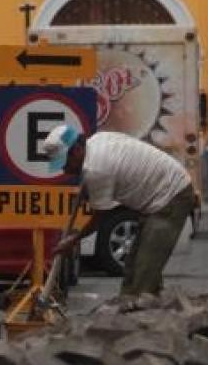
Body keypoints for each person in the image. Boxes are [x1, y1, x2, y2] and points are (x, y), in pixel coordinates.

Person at [42, 126, 195, 298]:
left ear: (77, 150)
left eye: (65, 163)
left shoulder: (96, 170)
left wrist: (74, 239)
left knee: (144, 274)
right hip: (157, 196)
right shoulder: (97, 141)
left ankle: (141, 312)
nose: (64, 170)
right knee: (132, 268)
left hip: (171, 195)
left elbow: (100, 216)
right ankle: (135, 307)